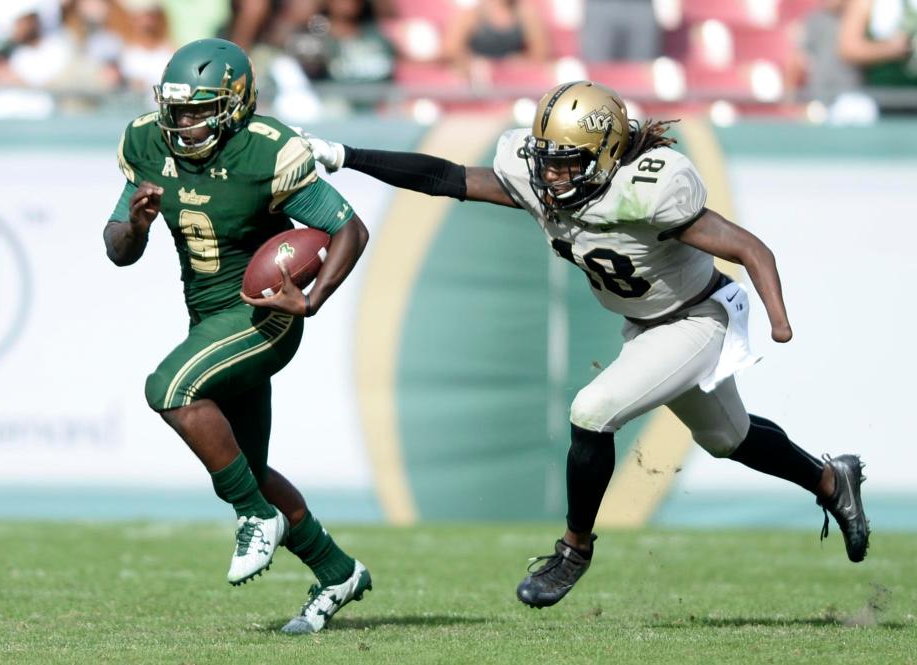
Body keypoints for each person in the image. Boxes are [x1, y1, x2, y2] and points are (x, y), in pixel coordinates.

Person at [305, 80, 871, 608]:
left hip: (697, 319)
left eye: (566, 162)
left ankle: (573, 548)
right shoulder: (544, 182)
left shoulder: (648, 190)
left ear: (603, 156)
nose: (550, 175)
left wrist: (778, 320)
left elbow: (752, 249)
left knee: (592, 411)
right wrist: (348, 155)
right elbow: (445, 177)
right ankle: (830, 480)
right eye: (545, 160)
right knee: (729, 438)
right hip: (645, 326)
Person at [103, 38, 371, 633]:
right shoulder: (148, 141)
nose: (184, 120)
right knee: (247, 463)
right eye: (178, 108)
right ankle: (337, 571)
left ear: (234, 104)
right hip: (209, 317)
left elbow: (348, 227)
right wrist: (138, 225)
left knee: (169, 388)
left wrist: (313, 297)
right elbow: (118, 248)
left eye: (199, 108)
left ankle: (255, 517)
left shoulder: (264, 151)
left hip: (263, 314)